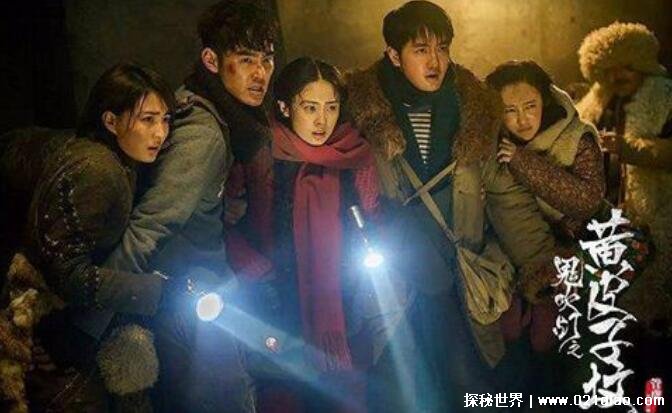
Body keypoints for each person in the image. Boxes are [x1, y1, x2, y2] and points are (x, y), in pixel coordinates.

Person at [345, 1, 557, 411]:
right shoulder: (363, 113)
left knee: (468, 384)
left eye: (442, 48)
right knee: (399, 390)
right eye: (421, 50)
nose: (435, 62)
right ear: (394, 55)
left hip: (461, 272)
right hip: (396, 279)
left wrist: (540, 269)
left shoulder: (473, 111)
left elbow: (506, 198)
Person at [102, 1, 279, 411]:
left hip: (192, 294)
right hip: (189, 301)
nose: (260, 73)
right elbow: (150, 226)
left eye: (267, 59)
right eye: (246, 59)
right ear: (212, 61)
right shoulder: (204, 133)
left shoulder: (209, 110)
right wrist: (86, 321)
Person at [0, 63, 175, 412]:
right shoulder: (97, 170)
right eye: (147, 120)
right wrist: (157, 291)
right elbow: (66, 274)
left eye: (166, 120)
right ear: (110, 121)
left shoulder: (108, 157)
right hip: (38, 323)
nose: (160, 132)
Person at [262, 57, 378, 412]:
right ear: (285, 107)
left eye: (331, 107)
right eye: (310, 108)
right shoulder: (266, 155)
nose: (321, 120)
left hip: (348, 301)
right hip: (282, 300)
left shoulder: (354, 155)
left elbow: (372, 217)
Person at [576, 20, 672, 399]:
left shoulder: (665, 97)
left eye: (626, 67)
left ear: (643, 64)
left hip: (657, 222)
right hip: (605, 229)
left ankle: (654, 399)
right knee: (613, 325)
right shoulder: (595, 102)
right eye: (609, 69)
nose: (618, 76)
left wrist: (630, 149)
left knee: (654, 327)